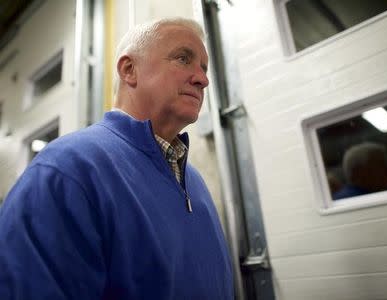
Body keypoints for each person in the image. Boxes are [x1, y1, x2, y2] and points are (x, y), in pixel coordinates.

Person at [0, 18, 233, 299]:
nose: (202, 79)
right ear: (129, 70)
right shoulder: (67, 169)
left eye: (204, 68)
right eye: (184, 59)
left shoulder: (195, 183)